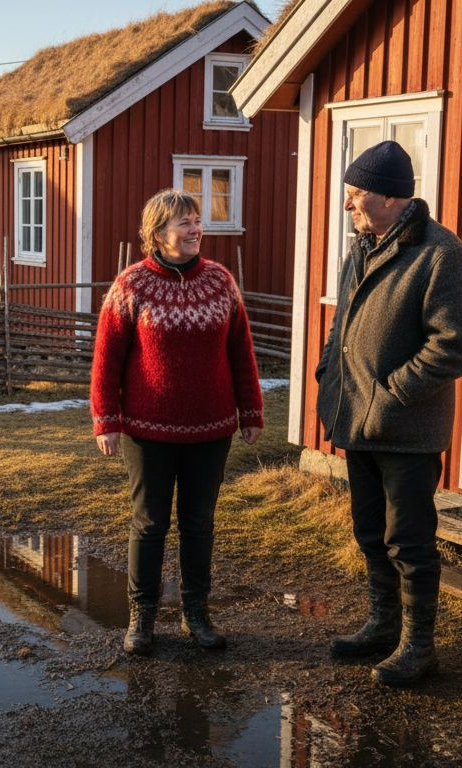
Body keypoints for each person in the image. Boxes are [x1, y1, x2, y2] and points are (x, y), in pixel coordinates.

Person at [315, 140, 462, 686]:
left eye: (355, 195)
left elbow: (454, 346)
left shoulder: (441, 254)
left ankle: (418, 647)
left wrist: (390, 395)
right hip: (355, 418)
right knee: (368, 531)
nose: (348, 206)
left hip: (404, 427)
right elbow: (342, 327)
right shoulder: (362, 247)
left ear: (389, 196)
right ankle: (382, 627)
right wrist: (327, 376)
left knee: (408, 539)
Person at [91, 188, 264, 656]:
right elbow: (107, 359)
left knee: (199, 523)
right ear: (158, 232)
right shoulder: (131, 285)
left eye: (196, 221)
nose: (195, 229)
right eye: (185, 222)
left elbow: (240, 352)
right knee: (149, 523)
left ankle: (196, 614)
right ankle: (141, 618)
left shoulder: (220, 281)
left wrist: (250, 411)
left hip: (212, 428)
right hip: (147, 431)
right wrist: (105, 418)